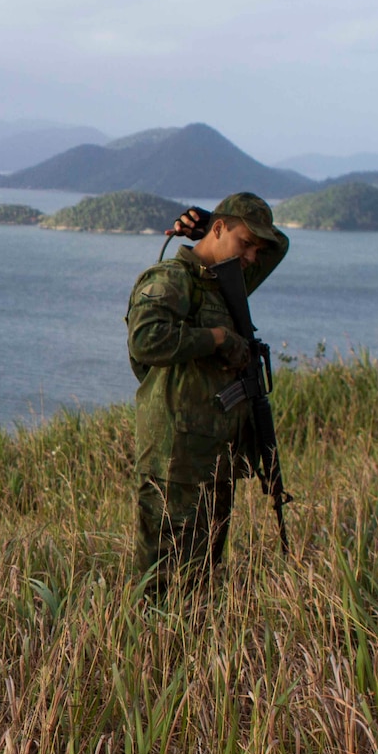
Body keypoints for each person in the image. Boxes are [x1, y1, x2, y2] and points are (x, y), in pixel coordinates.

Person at [126, 193, 290, 595]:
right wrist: (216, 337)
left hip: (214, 456)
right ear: (219, 230)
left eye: (255, 249)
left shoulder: (226, 284)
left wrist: (213, 228)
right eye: (245, 243)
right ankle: (153, 653)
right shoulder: (171, 278)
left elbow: (280, 247)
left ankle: (191, 647)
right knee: (162, 579)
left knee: (202, 574)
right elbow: (146, 340)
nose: (252, 256)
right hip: (175, 457)